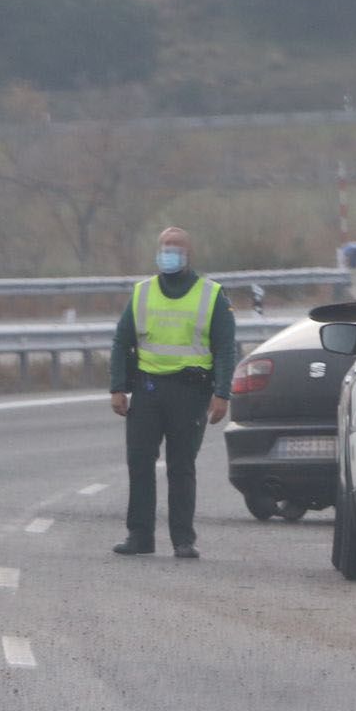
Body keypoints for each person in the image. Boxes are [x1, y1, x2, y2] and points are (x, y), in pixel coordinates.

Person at [109, 227, 236, 559]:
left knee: (181, 467)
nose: (169, 253)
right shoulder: (142, 293)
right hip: (148, 390)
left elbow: (224, 348)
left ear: (188, 254)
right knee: (139, 461)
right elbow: (122, 342)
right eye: (165, 247)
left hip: (190, 392)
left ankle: (183, 539)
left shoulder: (211, 295)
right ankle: (140, 536)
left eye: (176, 247)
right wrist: (118, 388)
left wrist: (222, 393)